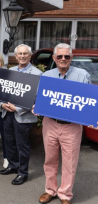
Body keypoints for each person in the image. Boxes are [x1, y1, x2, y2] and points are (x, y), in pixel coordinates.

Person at [36, 43, 92, 204]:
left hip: (72, 126)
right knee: (50, 159)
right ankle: (50, 190)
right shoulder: (46, 76)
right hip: (50, 124)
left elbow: (89, 100)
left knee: (70, 162)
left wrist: (92, 117)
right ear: (54, 58)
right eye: (59, 56)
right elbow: (41, 99)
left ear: (71, 58)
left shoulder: (82, 75)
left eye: (66, 56)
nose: (63, 59)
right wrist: (37, 106)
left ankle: (65, 194)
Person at [0, 44, 42, 185]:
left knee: (22, 145)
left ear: (30, 56)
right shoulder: (10, 71)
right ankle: (12, 165)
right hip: (7, 113)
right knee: (9, 142)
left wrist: (17, 108)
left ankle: (22, 173)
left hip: (23, 115)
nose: (22, 56)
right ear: (15, 56)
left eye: (25, 54)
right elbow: (3, 91)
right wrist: (2, 104)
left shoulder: (37, 74)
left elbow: (36, 98)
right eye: (20, 54)